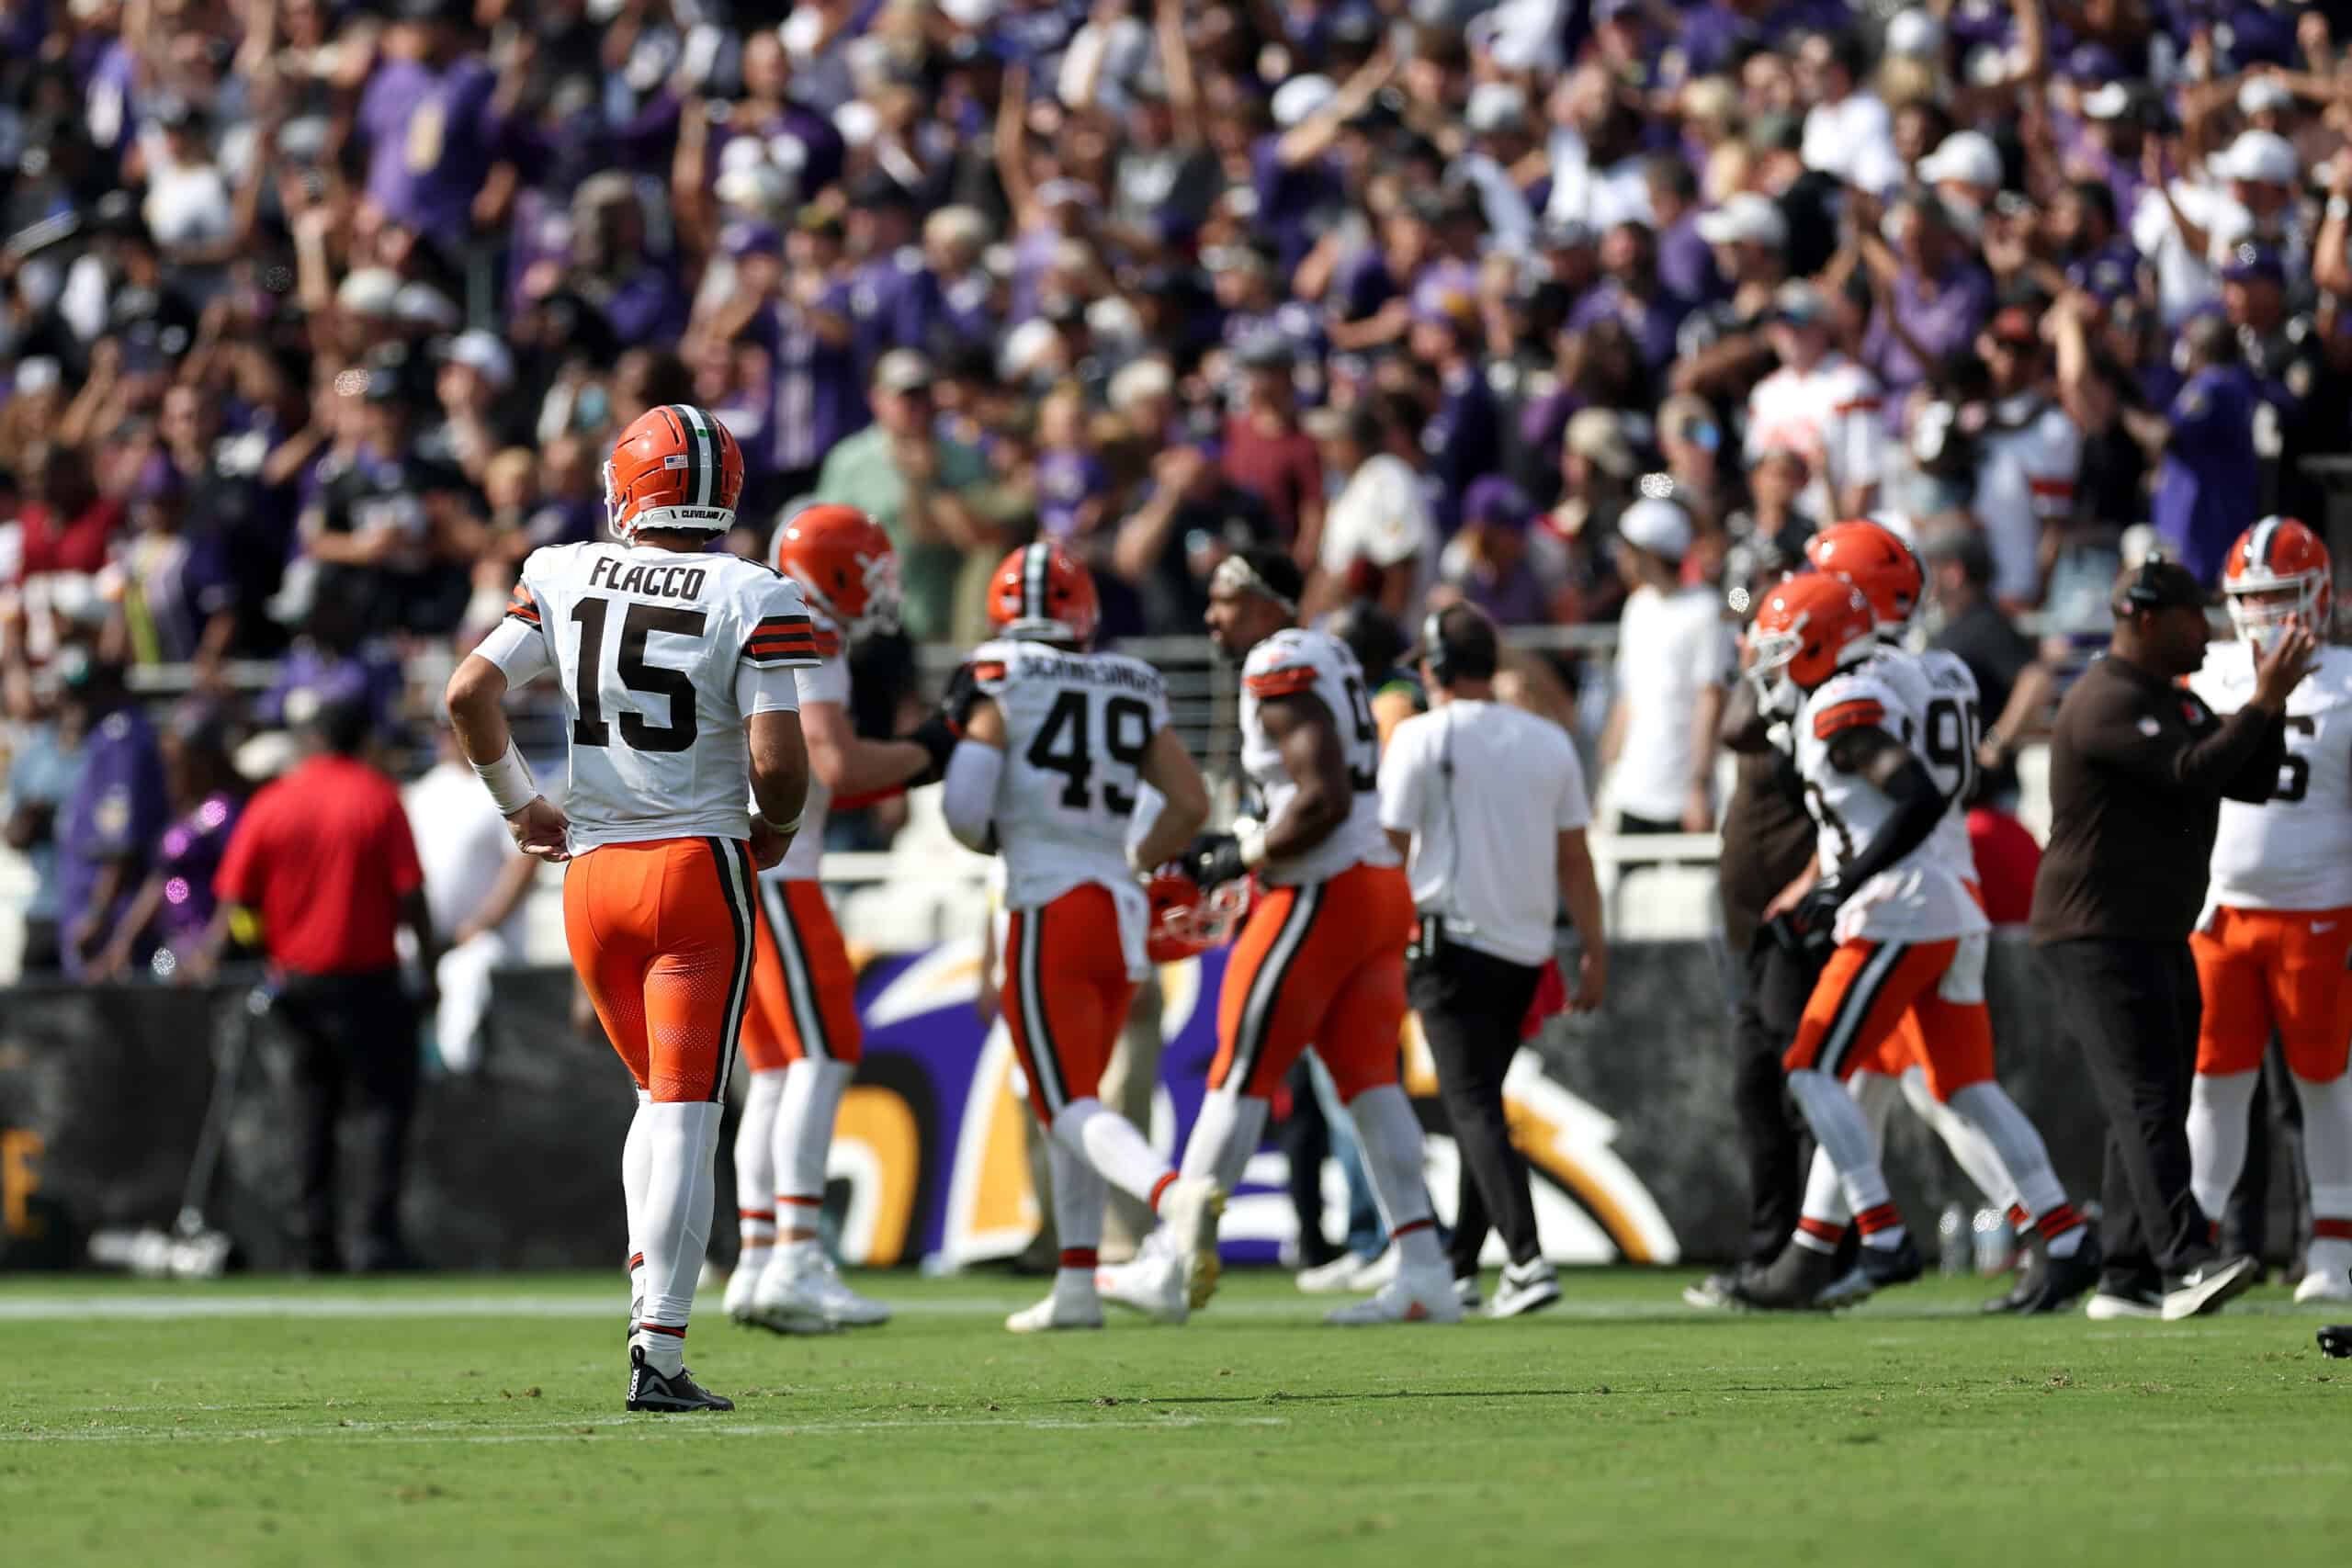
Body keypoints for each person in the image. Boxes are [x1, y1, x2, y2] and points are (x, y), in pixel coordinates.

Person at [444, 403, 817, 1414]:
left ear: (630, 487)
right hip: (695, 866)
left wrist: (523, 805)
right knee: (692, 1110)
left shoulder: (564, 569)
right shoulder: (754, 591)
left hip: (594, 876)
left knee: (655, 1100)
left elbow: (468, 695)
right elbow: (781, 765)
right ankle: (658, 1345)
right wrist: (772, 828)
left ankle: (646, 1297)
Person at [1105, 547, 1453, 1326]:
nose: (1211, 614)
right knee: (1371, 1086)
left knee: (1239, 1070)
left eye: (1226, 598)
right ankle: (1426, 1267)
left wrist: (1246, 849)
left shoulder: (1280, 660)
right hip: (1373, 886)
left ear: (1266, 603)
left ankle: (1170, 1257)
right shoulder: (1327, 651)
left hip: (1320, 887)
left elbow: (1321, 793)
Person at [1733, 572, 2098, 1312]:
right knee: (1964, 1086)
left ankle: (1881, 1231)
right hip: (1944, 895)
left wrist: (1842, 881)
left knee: (1809, 1066)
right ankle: (2063, 1236)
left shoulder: (1844, 701)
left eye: (1783, 649)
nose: (1771, 667)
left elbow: (1914, 795)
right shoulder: (1927, 672)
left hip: (1898, 909)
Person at [937, 541, 1217, 1332]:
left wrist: (1008, 840)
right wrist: (1129, 860)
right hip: (1116, 910)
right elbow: (1191, 802)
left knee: (1062, 1106)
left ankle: (1173, 1197)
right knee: (1081, 1101)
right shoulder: (1131, 678)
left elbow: (963, 810)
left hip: (1047, 902)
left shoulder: (998, 674)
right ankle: (1077, 1283)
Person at [2030, 554, 2314, 1322]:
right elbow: (2192, 772)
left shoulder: (2170, 698)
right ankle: (2183, 1258)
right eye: (2197, 615)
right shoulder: (2104, 700)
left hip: (2152, 928)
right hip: (2094, 930)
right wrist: (2264, 697)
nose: (2210, 629)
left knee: (2153, 1094)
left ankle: (2125, 1272)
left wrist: (2271, 707)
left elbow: (2251, 778)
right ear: (2149, 619)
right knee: (2148, 1097)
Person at [727, 504, 950, 1335]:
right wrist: (934, 749)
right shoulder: (801, 630)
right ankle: (796, 1256)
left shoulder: (761, 612)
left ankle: (757, 1261)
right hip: (786, 874)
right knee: (823, 1056)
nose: (884, 582)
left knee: (780, 1074)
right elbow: (836, 763)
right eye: (873, 564)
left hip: (746, 873)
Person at [1379, 604, 1606, 1318]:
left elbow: (1390, 849)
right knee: (1482, 1103)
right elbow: (1576, 858)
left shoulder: (1420, 735)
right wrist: (1596, 947)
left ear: (1434, 669)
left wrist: (1375, 940)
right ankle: (1461, 1266)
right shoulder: (1548, 740)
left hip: (1447, 942)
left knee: (1471, 1104)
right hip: (1524, 950)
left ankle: (1527, 1257)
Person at [209, 695, 437, 1276]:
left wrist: (266, 953)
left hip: (298, 983)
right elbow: (410, 894)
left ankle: (315, 1245)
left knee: (309, 1115)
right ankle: (375, 1241)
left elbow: (237, 902)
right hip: (369, 980)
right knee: (383, 1111)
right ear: (362, 741)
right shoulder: (377, 797)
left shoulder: (275, 800)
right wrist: (430, 970)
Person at [2184, 520, 2352, 1304]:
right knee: (2215, 1080)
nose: (2265, 617)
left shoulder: (2347, 678)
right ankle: (2195, 1243)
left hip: (2319, 911)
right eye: (2253, 600)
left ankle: (2334, 1247)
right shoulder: (2208, 670)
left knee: (2324, 1081)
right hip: (2220, 912)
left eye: (2281, 598)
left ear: (2318, 596)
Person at [401, 716, 539, 1071]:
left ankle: (457, 1078)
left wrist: (482, 922)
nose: (450, 735)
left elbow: (523, 864)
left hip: (487, 939)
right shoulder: (420, 793)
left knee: (466, 980)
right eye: (443, 727)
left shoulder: (505, 790)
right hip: (425, 940)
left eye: (456, 725)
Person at [1600, 497, 1729, 836]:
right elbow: (1628, 697)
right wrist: (1607, 773)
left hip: (1680, 797)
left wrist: (1698, 787)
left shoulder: (1706, 611)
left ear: (1650, 554)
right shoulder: (1637, 607)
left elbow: (1711, 700)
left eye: (1629, 549)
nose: (1622, 559)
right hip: (1631, 791)